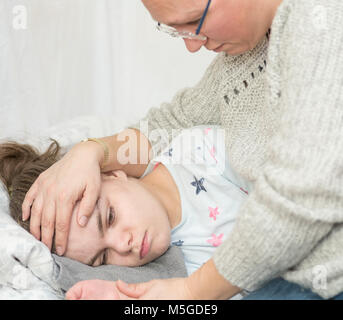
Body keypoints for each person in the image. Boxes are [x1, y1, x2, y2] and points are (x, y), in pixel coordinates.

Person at [22, 0, 343, 300]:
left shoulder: (319, 23)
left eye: (194, 21)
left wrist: (191, 292)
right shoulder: (247, 55)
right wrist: (90, 152)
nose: (191, 45)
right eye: (176, 30)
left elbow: (300, 197)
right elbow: (175, 122)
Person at [1, 126, 248, 300]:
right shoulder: (168, 275)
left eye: (110, 218)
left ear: (112, 173)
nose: (123, 245)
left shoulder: (200, 152)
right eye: (104, 258)